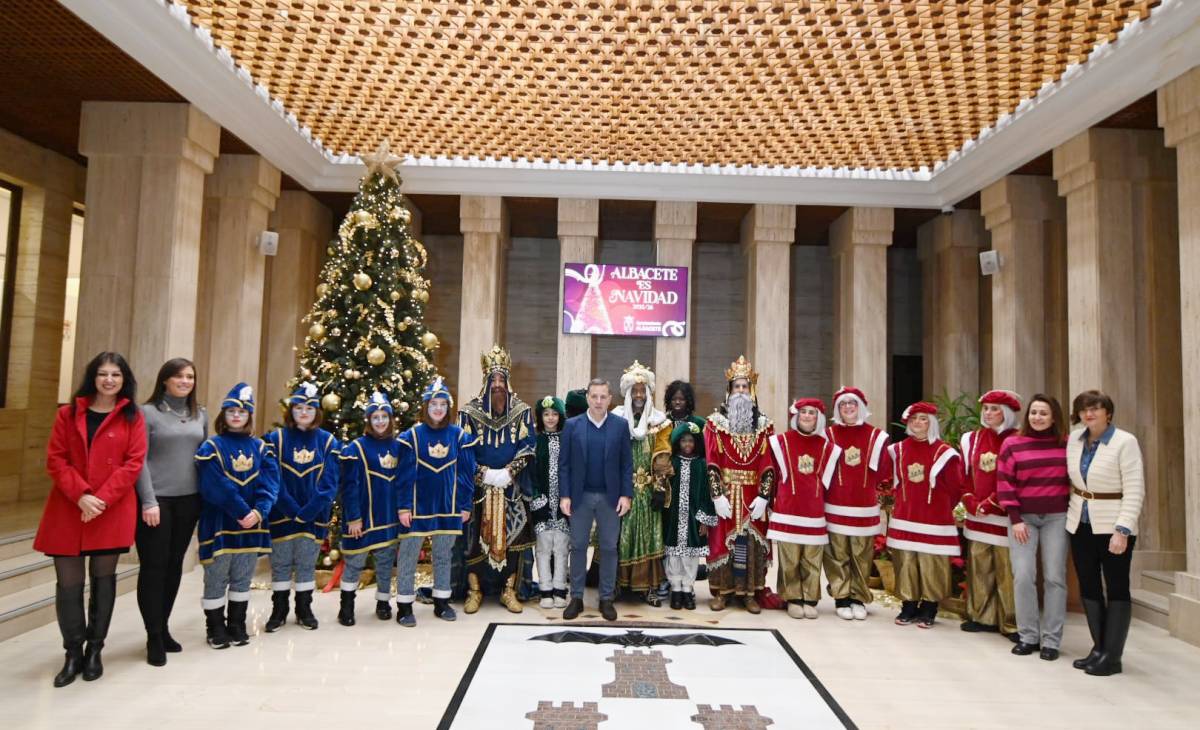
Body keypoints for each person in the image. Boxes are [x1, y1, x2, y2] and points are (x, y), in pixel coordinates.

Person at [36, 352, 146, 687]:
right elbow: (56, 459)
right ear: (92, 377)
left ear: (124, 379)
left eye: (115, 374)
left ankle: (95, 649)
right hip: (69, 507)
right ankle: (73, 652)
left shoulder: (132, 416)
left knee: (103, 580)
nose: (109, 380)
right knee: (68, 585)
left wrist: (100, 499)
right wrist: (82, 495)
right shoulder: (67, 414)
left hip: (110, 510)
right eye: (102, 374)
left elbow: (134, 462)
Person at [1066, 390, 1145, 676]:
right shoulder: (1074, 440)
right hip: (1080, 523)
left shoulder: (1125, 442)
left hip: (1113, 525)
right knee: (1088, 585)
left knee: (1116, 586)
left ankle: (1113, 656)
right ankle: (1098, 648)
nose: (1090, 414)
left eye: (1096, 409)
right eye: (1085, 409)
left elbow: (1135, 488)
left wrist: (1122, 530)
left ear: (1108, 413)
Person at [195, 383, 280, 649]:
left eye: (241, 413)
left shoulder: (262, 448)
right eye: (231, 411)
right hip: (220, 523)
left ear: (248, 417)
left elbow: (270, 483)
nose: (235, 416)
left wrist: (259, 512)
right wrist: (243, 511)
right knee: (217, 576)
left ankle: (237, 624)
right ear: (223, 415)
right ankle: (215, 627)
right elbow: (215, 485)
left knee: (243, 577)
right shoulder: (211, 447)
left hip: (251, 526)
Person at [134, 358, 205, 666]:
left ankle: (163, 627)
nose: (185, 381)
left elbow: (205, 456)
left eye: (190, 376)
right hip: (156, 502)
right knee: (154, 567)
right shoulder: (146, 413)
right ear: (165, 380)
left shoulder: (199, 414)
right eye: (178, 376)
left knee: (175, 565)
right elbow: (139, 460)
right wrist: (148, 500)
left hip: (189, 501)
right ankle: (152, 635)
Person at [457, 345, 536, 613]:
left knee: (515, 541)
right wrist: (484, 473)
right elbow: (462, 450)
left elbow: (528, 446)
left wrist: (508, 472)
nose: (498, 385)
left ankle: (509, 590)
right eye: (494, 380)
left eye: (502, 379)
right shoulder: (468, 413)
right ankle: (474, 590)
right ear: (486, 381)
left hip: (511, 489)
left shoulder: (522, 411)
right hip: (479, 489)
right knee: (473, 541)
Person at [394, 377, 476, 626]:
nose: (438, 409)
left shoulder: (459, 436)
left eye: (442, 404)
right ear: (426, 407)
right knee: (408, 556)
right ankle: (404, 606)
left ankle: (442, 602)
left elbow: (465, 473)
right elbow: (404, 476)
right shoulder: (412, 436)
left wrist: (464, 505)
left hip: (448, 508)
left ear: (448, 407)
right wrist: (404, 506)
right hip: (417, 510)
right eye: (433, 404)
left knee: (443, 556)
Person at [996, 394, 1070, 661]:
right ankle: (1028, 636)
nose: (1037, 418)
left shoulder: (1067, 444)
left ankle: (1051, 640)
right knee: (1024, 575)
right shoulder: (1013, 444)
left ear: (1054, 417)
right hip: (1022, 520)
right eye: (1034, 412)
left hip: (1057, 518)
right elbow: (1004, 482)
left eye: (1043, 413)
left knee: (1054, 577)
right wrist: (1015, 518)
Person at [262, 383, 340, 632]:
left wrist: (308, 511)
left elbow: (329, 482)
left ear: (317, 411)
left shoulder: (327, 441)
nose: (304, 412)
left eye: (309, 408)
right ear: (291, 410)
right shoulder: (276, 439)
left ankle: (304, 609)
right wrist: (289, 507)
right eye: (299, 407)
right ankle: (279, 609)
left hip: (313, 516)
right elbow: (272, 478)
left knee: (306, 564)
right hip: (281, 514)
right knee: (281, 564)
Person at [703, 356, 776, 613]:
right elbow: (711, 461)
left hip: (753, 495)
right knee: (723, 542)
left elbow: (769, 464)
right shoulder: (714, 424)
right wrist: (716, 496)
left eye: (745, 386)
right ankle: (722, 592)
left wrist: (765, 497)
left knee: (751, 544)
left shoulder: (765, 426)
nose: (741, 391)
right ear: (729, 390)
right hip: (726, 494)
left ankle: (749, 593)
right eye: (737, 387)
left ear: (752, 390)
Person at [558, 378, 633, 621]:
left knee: (610, 548)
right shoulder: (572, 426)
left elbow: (625, 465)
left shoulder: (620, 426)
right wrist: (565, 495)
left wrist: (626, 494)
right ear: (588, 398)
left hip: (610, 498)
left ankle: (606, 598)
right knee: (578, 546)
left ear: (610, 399)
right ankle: (576, 597)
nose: (599, 401)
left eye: (603, 396)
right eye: (594, 396)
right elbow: (564, 465)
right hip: (580, 497)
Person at [886, 402, 965, 629]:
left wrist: (939, 508)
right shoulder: (898, 450)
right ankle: (908, 606)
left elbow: (955, 487)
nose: (917, 422)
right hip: (906, 514)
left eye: (922, 418)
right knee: (906, 562)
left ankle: (929, 608)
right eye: (913, 419)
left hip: (934, 518)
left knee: (932, 564)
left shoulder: (945, 453)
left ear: (932, 423)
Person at [823, 386, 892, 620]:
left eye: (852, 403)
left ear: (861, 407)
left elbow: (884, 471)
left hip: (864, 506)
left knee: (861, 555)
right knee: (837, 554)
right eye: (843, 405)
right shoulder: (828, 436)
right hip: (835, 504)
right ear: (837, 409)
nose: (848, 408)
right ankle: (841, 597)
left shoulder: (877, 437)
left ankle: (858, 597)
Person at [768, 398, 840, 619]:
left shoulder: (829, 448)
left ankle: (810, 597)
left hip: (814, 510)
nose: (807, 416)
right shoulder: (780, 442)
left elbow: (830, 485)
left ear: (818, 418)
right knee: (789, 559)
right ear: (796, 416)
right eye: (804, 412)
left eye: (812, 413)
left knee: (812, 557)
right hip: (788, 509)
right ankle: (792, 597)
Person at [959, 389, 1022, 638]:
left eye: (994, 409)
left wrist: (992, 503)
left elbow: (1016, 478)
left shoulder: (1017, 439)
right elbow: (963, 476)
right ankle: (982, 616)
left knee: (1008, 571)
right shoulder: (971, 439)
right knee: (979, 568)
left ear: (1005, 412)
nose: (988, 413)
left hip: (1007, 517)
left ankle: (1011, 622)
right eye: (985, 408)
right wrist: (970, 501)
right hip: (977, 516)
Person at [336, 391, 402, 626]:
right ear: (368, 420)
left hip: (388, 519)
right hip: (361, 520)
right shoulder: (355, 448)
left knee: (385, 563)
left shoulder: (398, 446)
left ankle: (383, 602)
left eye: (385, 416)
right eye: (376, 417)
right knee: (354, 563)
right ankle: (346, 605)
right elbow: (349, 487)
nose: (381, 421)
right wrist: (354, 517)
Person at [611, 360, 671, 605]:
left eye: (642, 391)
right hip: (621, 492)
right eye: (634, 391)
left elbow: (662, 454)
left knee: (648, 539)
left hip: (647, 492)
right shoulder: (615, 420)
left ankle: (648, 587)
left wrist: (658, 487)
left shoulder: (659, 422)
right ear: (627, 394)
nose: (638, 395)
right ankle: (616, 586)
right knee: (617, 538)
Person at [662, 421, 717, 610]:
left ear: (696, 443)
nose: (687, 445)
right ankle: (676, 589)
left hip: (693, 519)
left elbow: (706, 494)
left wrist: (704, 519)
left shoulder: (701, 465)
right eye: (683, 441)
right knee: (673, 555)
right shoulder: (673, 462)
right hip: (673, 519)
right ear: (678, 442)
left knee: (691, 557)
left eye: (691, 441)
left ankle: (688, 589)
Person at [531, 395, 570, 609]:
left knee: (562, 548)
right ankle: (545, 589)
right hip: (542, 504)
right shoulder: (536, 442)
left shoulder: (567, 440)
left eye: (555, 414)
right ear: (540, 417)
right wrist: (536, 496)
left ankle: (560, 589)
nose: (551, 418)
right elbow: (532, 473)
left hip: (564, 504)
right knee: (544, 548)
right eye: (546, 414)